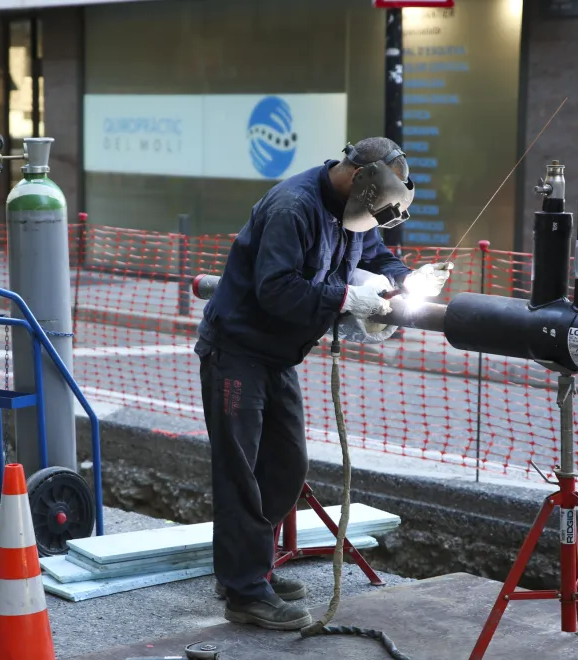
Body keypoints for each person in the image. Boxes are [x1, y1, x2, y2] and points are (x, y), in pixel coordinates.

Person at [194, 137, 453, 630]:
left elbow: (376, 253)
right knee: (239, 472)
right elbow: (275, 289)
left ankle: (246, 572)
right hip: (237, 351)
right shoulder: (295, 207)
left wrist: (408, 277)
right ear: (358, 178)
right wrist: (345, 299)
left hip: (277, 355)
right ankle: (246, 591)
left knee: (287, 468)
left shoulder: (352, 210)